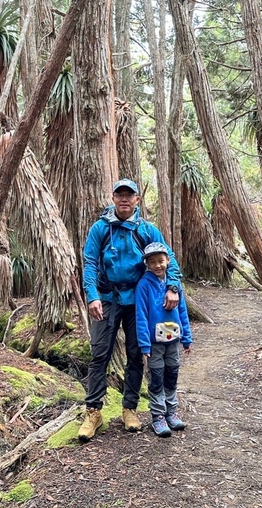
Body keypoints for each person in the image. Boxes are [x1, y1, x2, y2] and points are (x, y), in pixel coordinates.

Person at [77, 179, 181, 442]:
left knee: (136, 355)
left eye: (129, 195)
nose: (124, 199)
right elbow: (90, 263)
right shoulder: (100, 229)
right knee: (100, 354)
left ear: (137, 200)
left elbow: (168, 259)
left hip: (138, 301)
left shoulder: (146, 230)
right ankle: (93, 412)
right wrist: (92, 296)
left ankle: (130, 409)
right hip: (107, 298)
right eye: (120, 195)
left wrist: (173, 287)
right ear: (113, 198)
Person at [135, 241, 193, 437]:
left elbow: (182, 311)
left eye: (161, 261)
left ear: (168, 261)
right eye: (153, 262)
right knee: (157, 376)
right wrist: (144, 344)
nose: (158, 265)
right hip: (154, 343)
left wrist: (187, 337)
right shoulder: (144, 285)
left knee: (172, 373)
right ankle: (158, 415)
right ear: (147, 264)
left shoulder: (174, 285)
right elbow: (141, 316)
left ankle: (171, 411)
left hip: (174, 340)